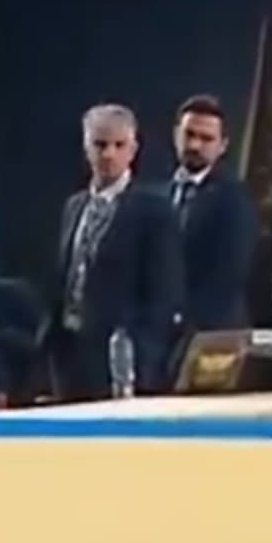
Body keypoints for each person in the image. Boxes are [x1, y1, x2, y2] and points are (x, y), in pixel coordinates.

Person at [49, 103, 182, 401]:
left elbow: (164, 291)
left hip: (119, 357)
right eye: (99, 145)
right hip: (71, 355)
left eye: (118, 145)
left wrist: (138, 353)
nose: (108, 154)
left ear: (133, 149)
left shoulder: (154, 210)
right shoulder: (74, 206)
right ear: (86, 148)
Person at [168, 95, 255, 336]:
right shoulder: (163, 193)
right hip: (162, 335)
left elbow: (230, 273)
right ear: (176, 134)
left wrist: (183, 319)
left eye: (206, 139)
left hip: (211, 332)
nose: (195, 145)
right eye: (189, 134)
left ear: (223, 145)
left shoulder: (233, 199)